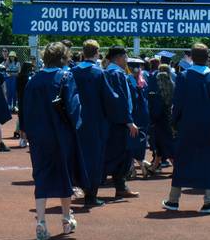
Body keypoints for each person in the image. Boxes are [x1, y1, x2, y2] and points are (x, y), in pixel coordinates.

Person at [21, 42, 89, 240]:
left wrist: (27, 132)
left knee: (41, 175)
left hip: (39, 137)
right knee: (64, 174)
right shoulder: (66, 77)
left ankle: (41, 221)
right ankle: (66, 219)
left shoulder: (33, 81)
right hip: (61, 134)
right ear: (64, 57)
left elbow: (25, 109)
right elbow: (74, 107)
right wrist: (78, 125)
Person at [162, 43, 210, 214]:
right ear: (208, 57)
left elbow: (178, 103)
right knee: (209, 161)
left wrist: (174, 122)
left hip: (188, 126)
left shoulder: (184, 76)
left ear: (192, 58)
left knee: (183, 160)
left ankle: (174, 200)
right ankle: (209, 202)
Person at [71, 39, 118, 207]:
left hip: (76, 121)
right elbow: (110, 97)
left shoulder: (73, 71)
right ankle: (91, 196)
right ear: (97, 53)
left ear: (83, 52)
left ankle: (77, 187)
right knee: (95, 158)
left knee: (78, 155)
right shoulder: (98, 73)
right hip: (95, 123)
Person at [102, 46, 140, 200]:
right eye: (125, 57)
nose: (126, 60)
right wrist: (128, 121)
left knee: (120, 155)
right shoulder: (114, 74)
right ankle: (90, 187)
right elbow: (119, 99)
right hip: (119, 122)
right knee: (120, 154)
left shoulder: (111, 72)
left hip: (116, 120)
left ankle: (121, 187)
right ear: (118, 57)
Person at [147, 64, 175, 174]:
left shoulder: (158, 95)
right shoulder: (172, 89)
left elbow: (156, 111)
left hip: (160, 122)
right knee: (160, 145)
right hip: (169, 120)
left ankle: (177, 168)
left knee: (165, 145)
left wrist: (152, 120)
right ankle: (154, 167)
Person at [15, 60, 34, 148]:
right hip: (27, 101)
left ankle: (22, 139)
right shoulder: (28, 78)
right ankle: (25, 139)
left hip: (20, 99)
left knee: (21, 119)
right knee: (27, 119)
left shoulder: (19, 76)